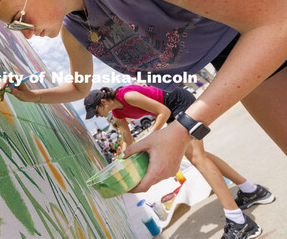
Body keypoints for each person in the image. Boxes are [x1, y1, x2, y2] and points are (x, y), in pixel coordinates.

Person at [0, 0, 287, 236]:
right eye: (15, 28)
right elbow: (79, 87)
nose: (28, 35)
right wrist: (33, 95)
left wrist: (183, 129)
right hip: (238, 37)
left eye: (20, 19)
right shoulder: (75, 27)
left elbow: (283, 14)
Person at [84, 85, 274, 236]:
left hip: (180, 103)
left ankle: (239, 222)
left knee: (198, 158)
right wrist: (121, 163)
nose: (99, 116)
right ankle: (252, 190)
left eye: (97, 112)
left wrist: (152, 135)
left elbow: (163, 111)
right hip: (173, 113)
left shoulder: (127, 96)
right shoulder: (117, 114)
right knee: (200, 156)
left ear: (103, 102)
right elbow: (127, 140)